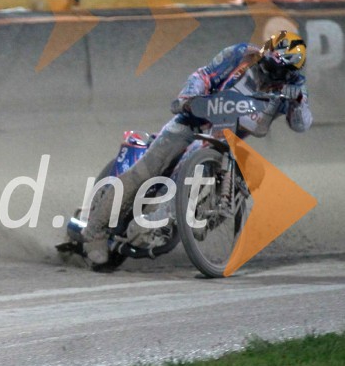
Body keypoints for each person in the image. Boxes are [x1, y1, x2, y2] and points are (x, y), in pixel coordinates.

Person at [82, 30, 312, 266]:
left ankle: (193, 220)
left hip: (225, 137)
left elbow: (301, 124)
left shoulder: (295, 86)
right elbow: (204, 75)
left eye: (283, 71)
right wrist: (188, 97)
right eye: (271, 65)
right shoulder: (241, 54)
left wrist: (298, 102)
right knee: (146, 170)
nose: (273, 74)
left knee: (252, 175)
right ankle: (93, 232)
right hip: (191, 120)